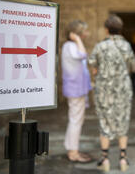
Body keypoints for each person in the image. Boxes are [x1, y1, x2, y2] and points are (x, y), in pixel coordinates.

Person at [88, 15, 135, 172]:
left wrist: (100, 73)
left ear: (106, 29)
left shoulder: (100, 46)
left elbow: (92, 65)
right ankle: (123, 159)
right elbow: (133, 67)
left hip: (104, 89)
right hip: (123, 88)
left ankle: (105, 159)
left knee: (104, 121)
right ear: (120, 29)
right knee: (123, 120)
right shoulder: (126, 46)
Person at [61, 20, 92, 163]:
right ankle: (73, 153)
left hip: (77, 88)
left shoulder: (70, 46)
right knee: (76, 121)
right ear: (76, 34)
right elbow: (82, 55)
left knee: (75, 120)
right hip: (75, 89)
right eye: (83, 32)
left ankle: (71, 148)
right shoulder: (71, 46)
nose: (87, 34)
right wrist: (78, 39)